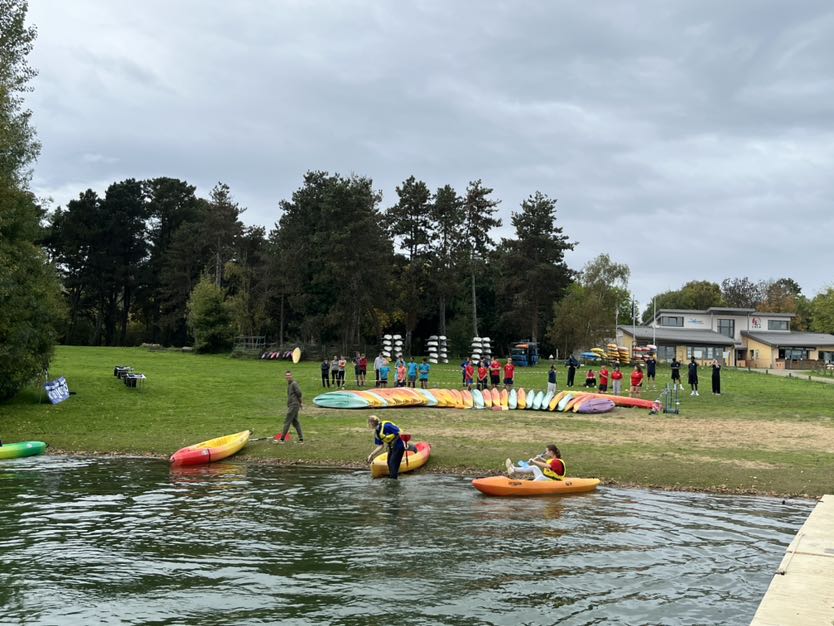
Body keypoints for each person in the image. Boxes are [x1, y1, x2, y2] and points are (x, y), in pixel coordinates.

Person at [366, 415, 405, 479]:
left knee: (393, 464)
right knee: (389, 463)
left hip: (399, 446)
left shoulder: (386, 426)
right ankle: (392, 480)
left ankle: (393, 482)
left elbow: (400, 431)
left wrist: (403, 443)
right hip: (391, 447)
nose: (369, 424)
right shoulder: (377, 433)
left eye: (370, 422)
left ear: (373, 423)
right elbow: (380, 446)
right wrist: (371, 455)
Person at [278, 370, 304, 444]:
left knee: (287, 421)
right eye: (287, 375)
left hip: (294, 405)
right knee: (295, 422)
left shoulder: (294, 384)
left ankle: (282, 439)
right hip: (293, 405)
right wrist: (300, 403)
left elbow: (299, 393)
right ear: (285, 377)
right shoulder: (289, 384)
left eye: (289, 375)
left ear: (292, 376)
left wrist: (299, 402)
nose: (288, 376)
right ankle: (301, 439)